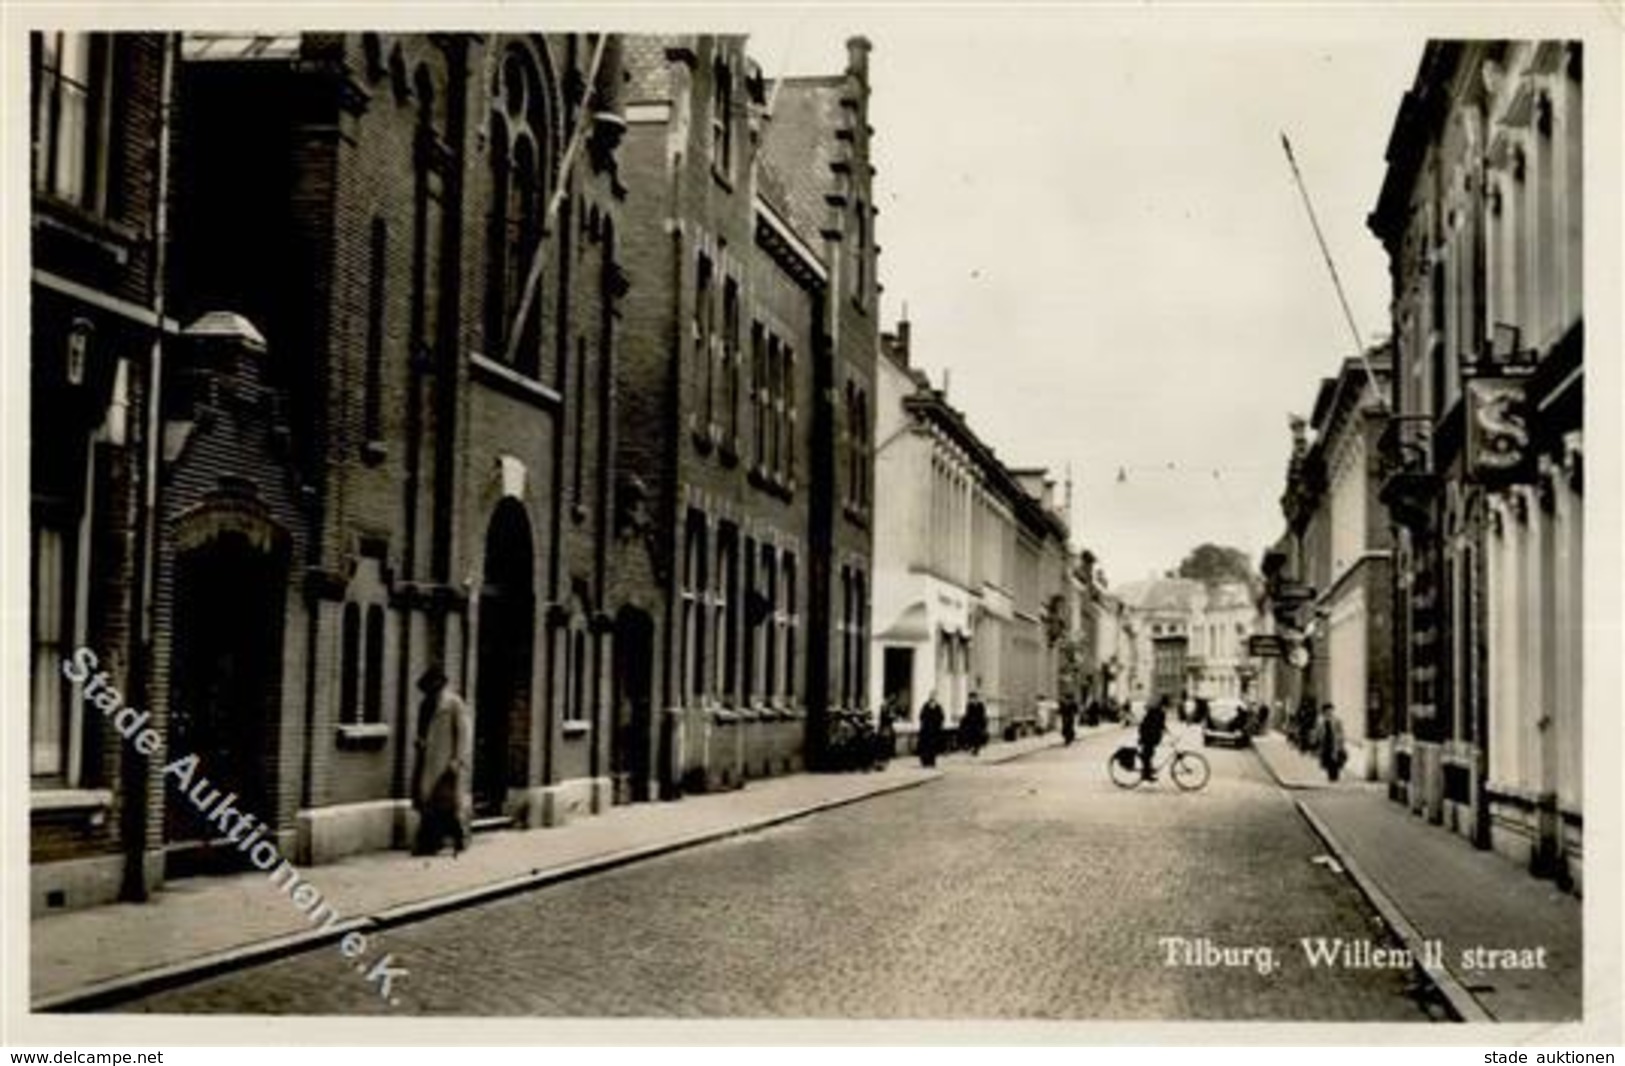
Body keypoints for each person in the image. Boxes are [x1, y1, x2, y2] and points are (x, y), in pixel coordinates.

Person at [412, 664, 474, 856]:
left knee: (444, 803)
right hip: (428, 760)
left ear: (440, 685)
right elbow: (422, 730)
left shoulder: (454, 703)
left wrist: (458, 759)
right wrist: (420, 742)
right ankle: (435, 842)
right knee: (429, 802)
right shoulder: (425, 705)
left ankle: (450, 839)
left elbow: (464, 733)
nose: (430, 691)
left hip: (446, 762)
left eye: (433, 686)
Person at [1137, 695, 1168, 781]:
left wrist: (1166, 731)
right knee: (1147, 754)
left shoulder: (1157, 711)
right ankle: (1145, 774)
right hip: (1148, 735)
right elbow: (1155, 725)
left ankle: (1147, 770)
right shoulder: (1158, 712)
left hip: (1149, 735)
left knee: (1149, 753)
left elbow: (1160, 725)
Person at [1318, 703, 1348, 782]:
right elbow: (1320, 733)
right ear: (1324, 712)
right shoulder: (1321, 721)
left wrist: (1341, 743)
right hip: (1326, 744)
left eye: (1330, 710)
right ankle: (1330, 777)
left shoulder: (1336, 720)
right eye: (1327, 711)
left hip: (1334, 743)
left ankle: (1335, 777)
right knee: (1327, 761)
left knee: (1335, 761)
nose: (1329, 712)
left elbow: (1341, 732)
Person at [918, 691, 945, 768]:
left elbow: (942, 717)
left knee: (933, 747)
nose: (933, 698)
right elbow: (921, 716)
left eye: (934, 696)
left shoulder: (938, 707)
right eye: (931, 696)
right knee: (925, 746)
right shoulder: (925, 706)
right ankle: (925, 761)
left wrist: (937, 724)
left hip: (934, 731)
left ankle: (932, 761)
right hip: (926, 730)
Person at [960, 690, 989, 756]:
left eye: (972, 698)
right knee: (971, 736)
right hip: (971, 723)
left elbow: (982, 714)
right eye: (970, 699)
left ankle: (976, 749)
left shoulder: (980, 705)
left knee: (977, 736)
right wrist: (964, 720)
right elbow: (967, 714)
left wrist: (983, 724)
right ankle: (972, 747)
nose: (971, 700)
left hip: (978, 723)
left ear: (975, 698)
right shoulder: (969, 705)